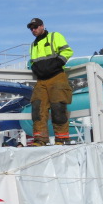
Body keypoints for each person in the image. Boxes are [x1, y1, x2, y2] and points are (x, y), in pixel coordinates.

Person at [27, 18, 74, 146]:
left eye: (35, 27)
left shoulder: (55, 36)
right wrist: (35, 69)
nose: (33, 30)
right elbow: (32, 62)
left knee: (58, 107)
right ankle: (40, 140)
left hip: (57, 77)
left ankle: (62, 139)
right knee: (37, 108)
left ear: (42, 26)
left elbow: (67, 51)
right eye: (31, 28)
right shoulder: (33, 45)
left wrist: (56, 65)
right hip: (41, 80)